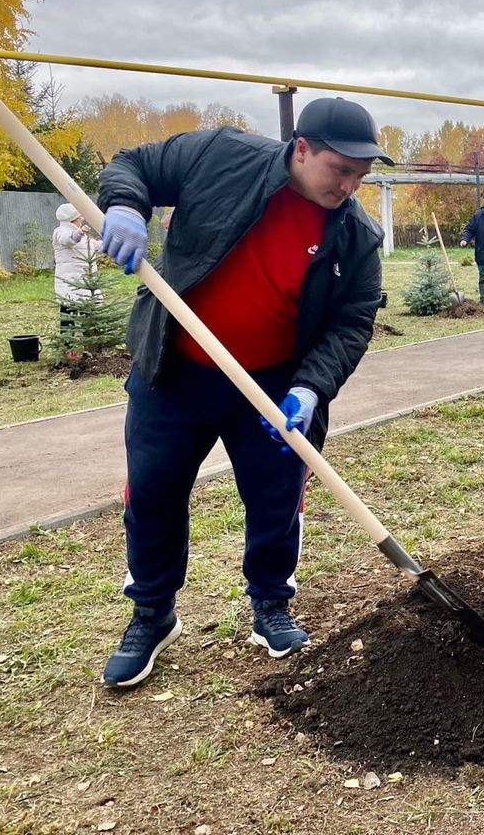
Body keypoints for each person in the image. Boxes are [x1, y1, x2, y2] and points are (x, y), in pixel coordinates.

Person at [93, 95, 392, 688]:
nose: (351, 186)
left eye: (361, 174)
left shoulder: (355, 235)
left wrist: (311, 389)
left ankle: (270, 605)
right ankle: (152, 612)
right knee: (152, 492)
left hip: (274, 383)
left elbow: (354, 320)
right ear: (300, 149)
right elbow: (134, 165)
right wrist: (125, 206)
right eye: (341, 169)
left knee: (277, 496)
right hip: (175, 372)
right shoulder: (220, 156)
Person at [52, 202, 104, 330]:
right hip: (70, 283)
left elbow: (94, 245)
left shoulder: (82, 236)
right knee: (69, 315)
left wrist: (111, 241)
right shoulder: (61, 232)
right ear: (73, 218)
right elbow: (68, 239)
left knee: (88, 314)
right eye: (80, 216)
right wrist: (79, 233)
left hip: (85, 282)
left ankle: (90, 345)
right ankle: (69, 347)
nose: (82, 218)